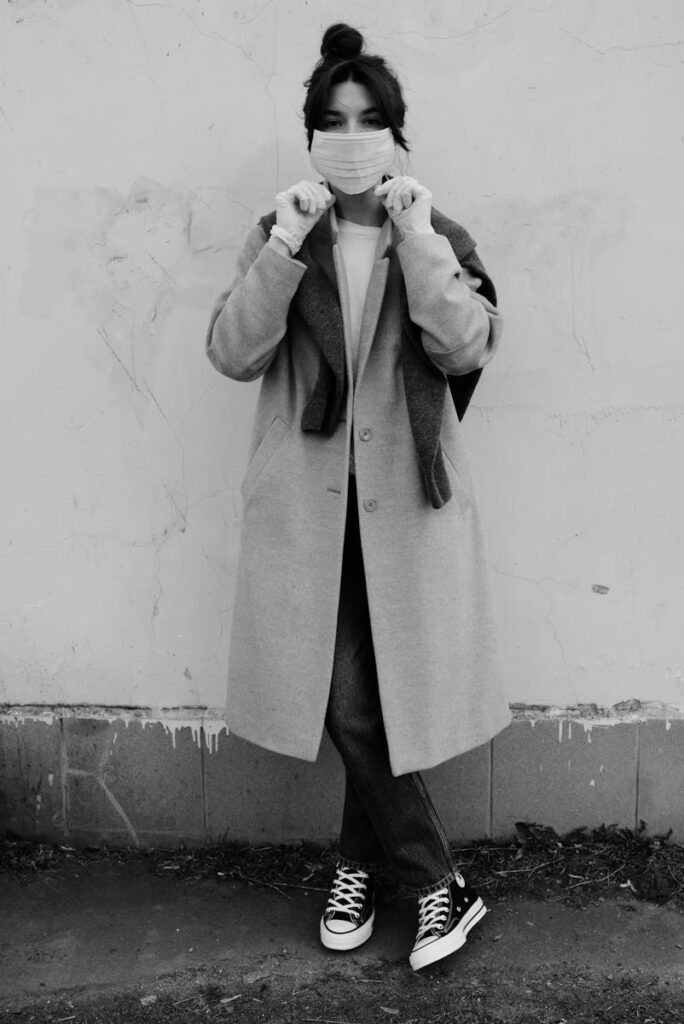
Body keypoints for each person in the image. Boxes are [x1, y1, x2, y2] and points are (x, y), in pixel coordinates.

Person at [206, 22, 511, 971]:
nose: (351, 135)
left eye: (369, 119)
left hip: (404, 504)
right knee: (349, 698)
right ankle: (434, 884)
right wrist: (287, 241)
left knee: (373, 698)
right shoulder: (280, 234)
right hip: (309, 504)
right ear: (311, 135)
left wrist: (418, 240)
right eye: (334, 120)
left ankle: (367, 866)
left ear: (395, 132)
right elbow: (233, 351)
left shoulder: (436, 231)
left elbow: (466, 345)